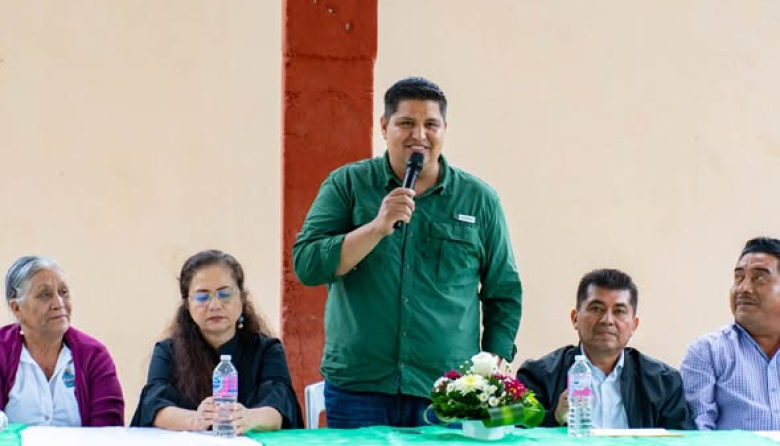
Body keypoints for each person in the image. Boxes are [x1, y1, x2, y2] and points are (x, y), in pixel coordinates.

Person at [293, 77, 522, 428]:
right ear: (384, 127)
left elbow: (503, 292)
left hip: (448, 392)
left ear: (445, 129)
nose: (419, 135)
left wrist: (492, 366)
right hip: (360, 388)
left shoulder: (480, 200)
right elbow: (307, 265)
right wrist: (375, 228)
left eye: (431, 124)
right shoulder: (348, 185)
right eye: (406, 123)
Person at [131, 249, 302, 432]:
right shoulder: (167, 351)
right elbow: (154, 408)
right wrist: (194, 420)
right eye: (202, 296)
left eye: (225, 294)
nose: (215, 305)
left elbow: (279, 409)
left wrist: (249, 419)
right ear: (187, 305)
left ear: (242, 298)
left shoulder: (267, 350)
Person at [517, 268, 693, 429]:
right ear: (575, 318)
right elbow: (518, 437)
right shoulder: (538, 376)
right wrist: (554, 417)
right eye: (596, 309)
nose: (607, 320)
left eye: (619, 311)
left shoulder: (663, 383)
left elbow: (682, 440)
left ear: (634, 325)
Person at [0, 256, 124, 426]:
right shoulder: (2, 351)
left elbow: (109, 428)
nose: (59, 303)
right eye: (45, 295)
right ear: (17, 308)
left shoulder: (94, 356)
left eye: (63, 292)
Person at [681, 236, 780, 430]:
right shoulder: (708, 352)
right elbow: (699, 436)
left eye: (759, 278)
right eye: (739, 277)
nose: (744, 288)